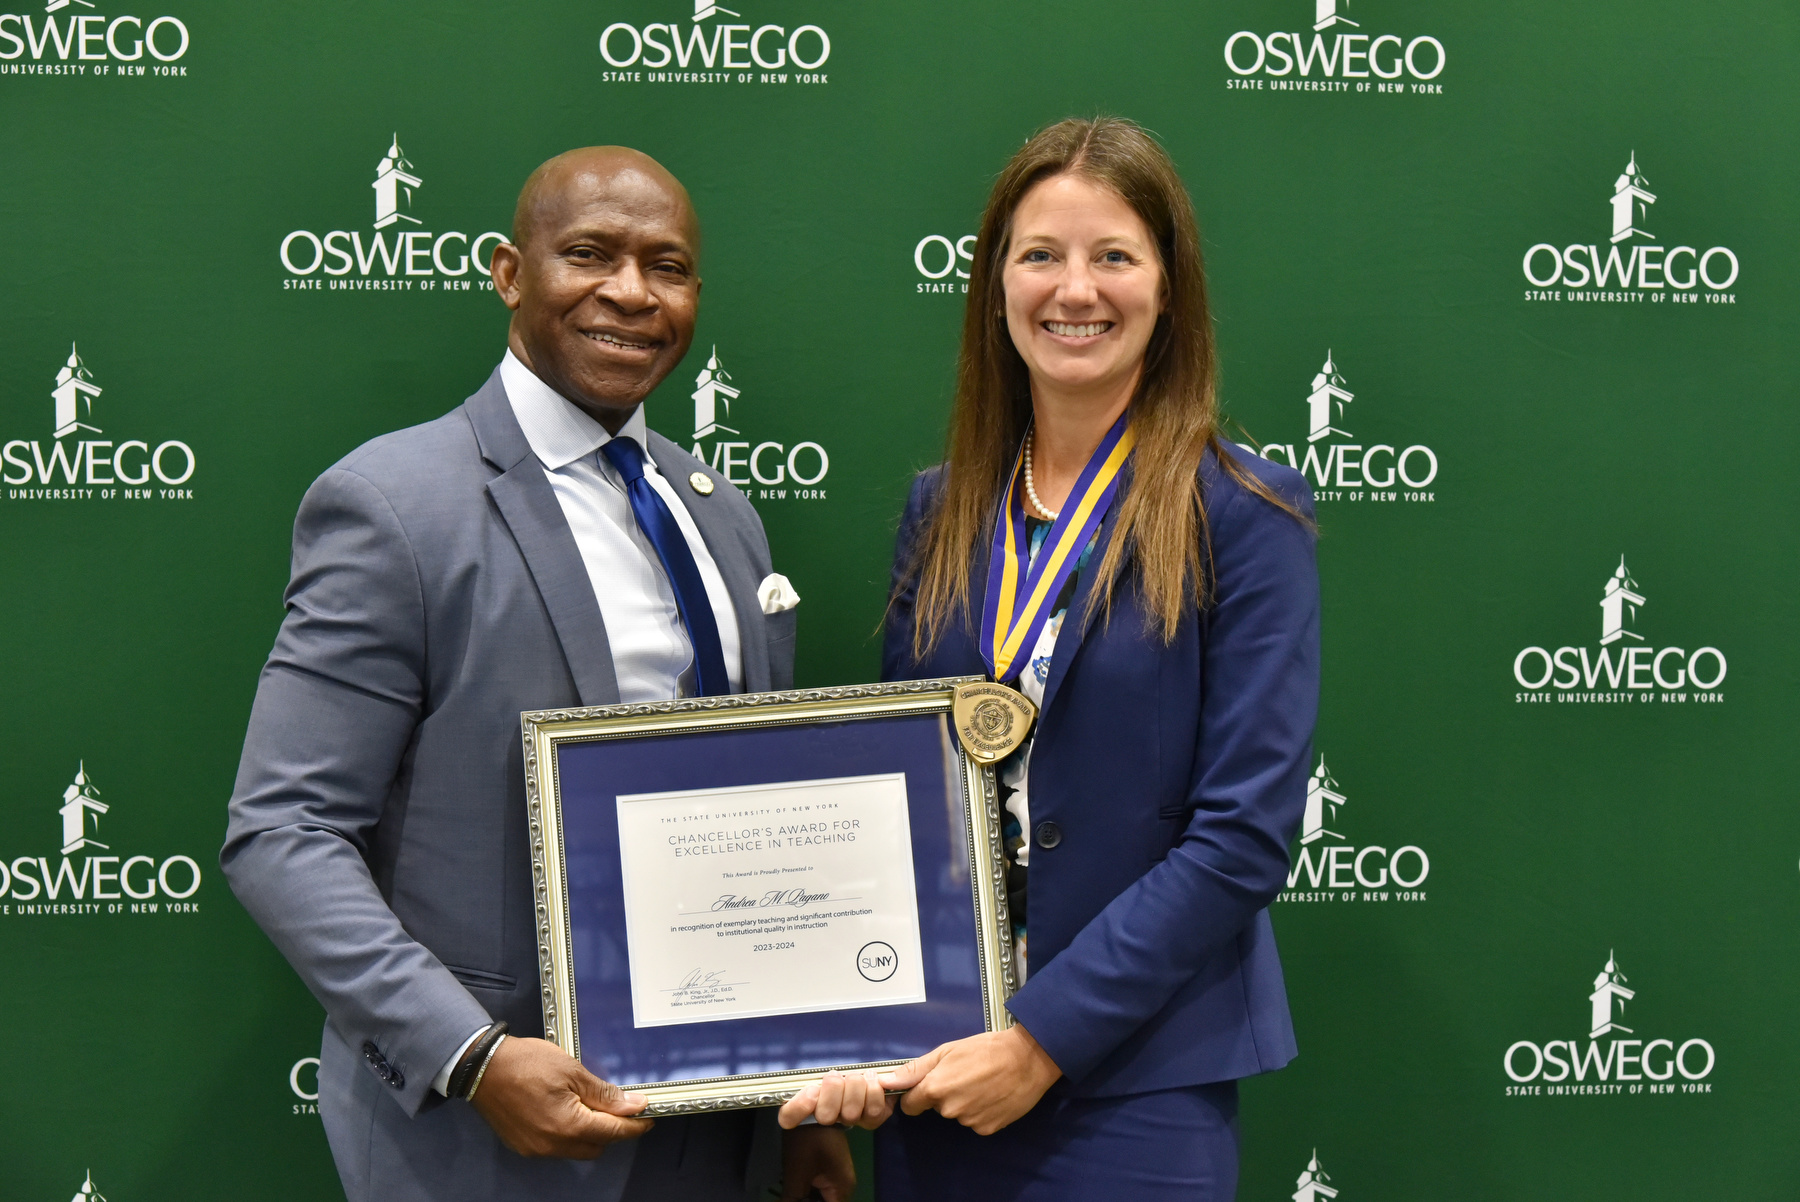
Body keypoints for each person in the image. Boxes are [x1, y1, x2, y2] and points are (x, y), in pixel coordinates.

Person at [221, 147, 852, 1202]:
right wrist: (469, 1053)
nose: (630, 293)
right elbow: (283, 831)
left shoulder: (722, 515)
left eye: (668, 266)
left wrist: (801, 1101)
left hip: (713, 1133)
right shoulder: (394, 505)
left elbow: (762, 816)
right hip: (491, 1138)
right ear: (511, 272)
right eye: (590, 255)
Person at [804, 116, 1320, 1198]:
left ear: (1168, 288)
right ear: (995, 285)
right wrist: (843, 1020)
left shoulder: (1246, 514)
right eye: (1040, 254)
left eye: (1113, 256)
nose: (1073, 289)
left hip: (1135, 1080)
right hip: (936, 1064)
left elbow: (1242, 836)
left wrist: (1039, 1040)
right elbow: (897, 792)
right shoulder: (941, 510)